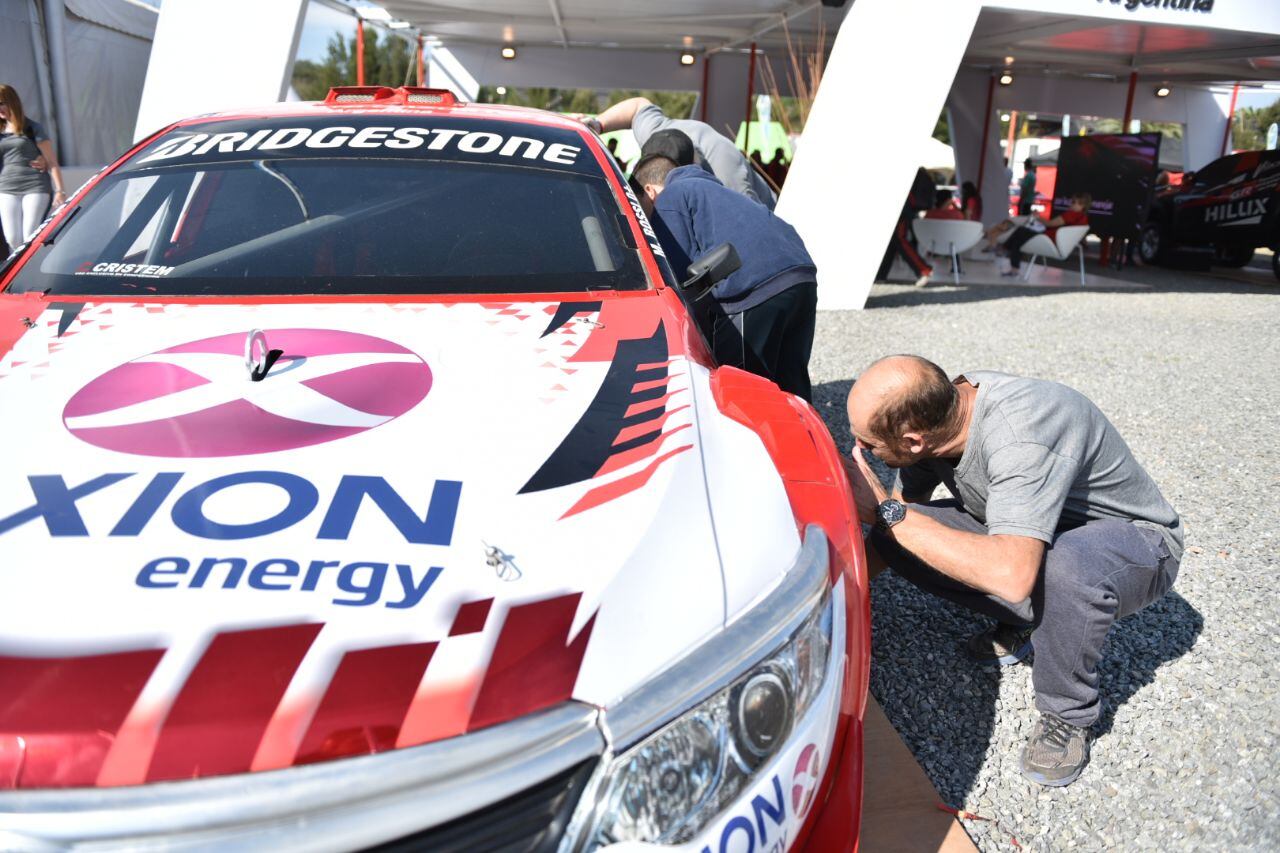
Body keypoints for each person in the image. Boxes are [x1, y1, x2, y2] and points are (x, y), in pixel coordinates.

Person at [843, 355, 1182, 787]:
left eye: (867, 445)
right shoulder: (941, 414)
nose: (863, 453)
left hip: (1134, 543)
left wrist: (888, 514)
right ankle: (1033, 623)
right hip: (1034, 531)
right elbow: (905, 518)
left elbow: (1011, 577)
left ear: (912, 440)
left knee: (1065, 567)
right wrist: (834, 599)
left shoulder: (1021, 432)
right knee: (904, 534)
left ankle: (1068, 713)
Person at [633, 153, 816, 400]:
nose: (642, 216)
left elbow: (678, 282)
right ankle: (803, 436)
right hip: (802, 276)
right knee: (791, 384)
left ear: (649, 191)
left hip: (754, 288)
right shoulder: (716, 192)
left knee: (743, 390)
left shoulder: (670, 198)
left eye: (639, 205)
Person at [585, 97, 777, 209]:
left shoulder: (730, 186)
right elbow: (638, 106)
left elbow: (755, 231)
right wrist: (597, 124)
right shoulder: (660, 135)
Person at [0, 84, 64, 248]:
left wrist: (60, 191)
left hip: (35, 186)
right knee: (12, 239)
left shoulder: (32, 128)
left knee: (30, 235)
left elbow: (52, 162)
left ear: (12, 102)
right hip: (6, 188)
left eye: (1, 103)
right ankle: (18, 272)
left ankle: (29, 271)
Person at [998, 192, 1091, 275]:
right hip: (1057, 241)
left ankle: (1005, 250)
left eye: (1078, 203)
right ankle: (1009, 258)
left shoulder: (1071, 214)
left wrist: (1037, 217)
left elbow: (1050, 223)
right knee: (1020, 236)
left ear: (1084, 206)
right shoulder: (1084, 219)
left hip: (1050, 239)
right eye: (1073, 202)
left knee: (1020, 231)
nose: (1074, 205)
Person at [876, 167, 935, 287]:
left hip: (903, 209)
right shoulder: (919, 172)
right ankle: (880, 276)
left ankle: (923, 270)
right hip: (907, 208)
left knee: (899, 238)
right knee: (894, 240)